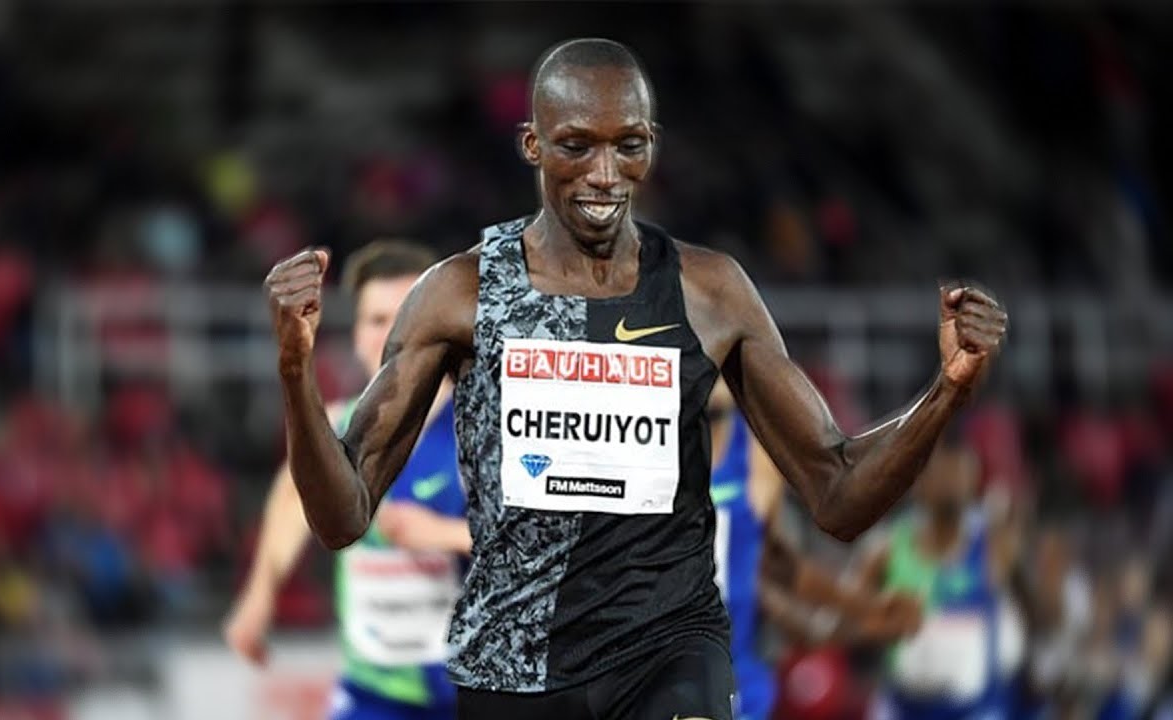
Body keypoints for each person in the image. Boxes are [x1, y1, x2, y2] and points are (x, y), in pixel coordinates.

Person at [262, 38, 1007, 720]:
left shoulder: (708, 292)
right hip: (517, 665)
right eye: (576, 146)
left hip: (669, 651)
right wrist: (295, 375)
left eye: (629, 145)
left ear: (652, 143)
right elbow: (341, 516)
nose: (605, 173)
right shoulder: (463, 295)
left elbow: (838, 495)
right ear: (532, 144)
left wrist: (945, 393)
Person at [227, 240, 470, 720]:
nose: (391, 334)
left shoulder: (483, 430)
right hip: (372, 693)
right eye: (377, 320)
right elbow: (294, 495)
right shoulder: (337, 428)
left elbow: (547, 546)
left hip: (468, 696)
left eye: (404, 317)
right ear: (356, 334)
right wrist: (260, 595)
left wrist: (440, 534)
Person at [707, 377, 923, 720]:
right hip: (658, 668)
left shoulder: (754, 456)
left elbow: (774, 564)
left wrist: (865, 607)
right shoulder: (642, 448)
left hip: (736, 683)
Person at [859, 444, 1025, 720]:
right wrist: (879, 622)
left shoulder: (994, 546)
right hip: (903, 707)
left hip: (971, 710)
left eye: (959, 475)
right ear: (919, 485)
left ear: (973, 484)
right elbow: (850, 615)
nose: (951, 484)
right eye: (942, 475)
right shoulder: (886, 548)